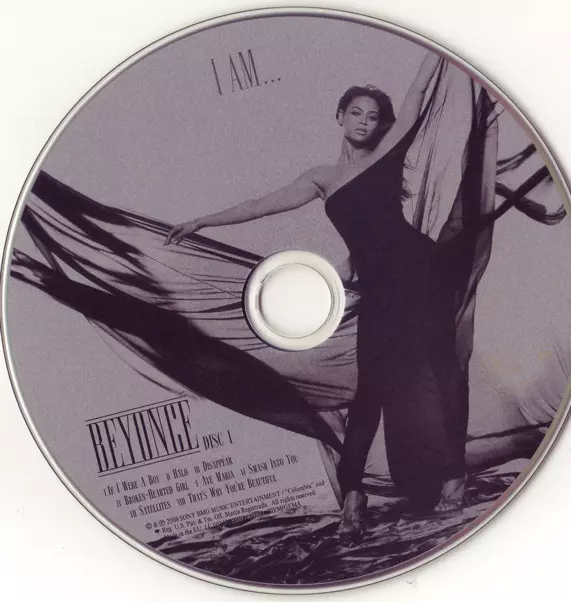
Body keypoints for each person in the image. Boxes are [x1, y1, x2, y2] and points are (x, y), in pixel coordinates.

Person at [165, 52, 467, 536]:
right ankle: (354, 495)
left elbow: (416, 93)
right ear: (340, 116)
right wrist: (203, 221)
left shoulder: (389, 154)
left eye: (373, 116)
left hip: (422, 271)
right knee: (370, 390)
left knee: (442, 368)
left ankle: (455, 476)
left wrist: (442, 46)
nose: (364, 121)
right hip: (379, 287)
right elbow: (261, 205)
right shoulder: (322, 177)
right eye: (356, 112)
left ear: (382, 125)